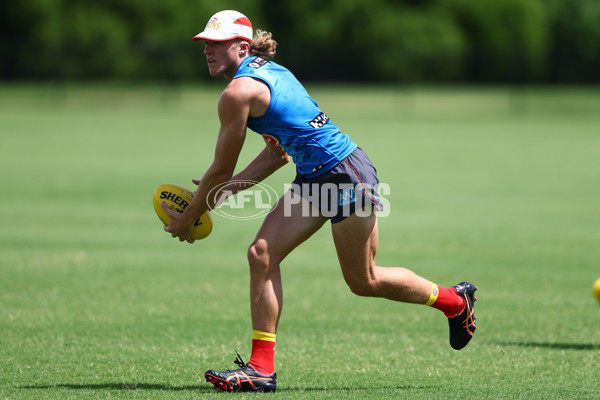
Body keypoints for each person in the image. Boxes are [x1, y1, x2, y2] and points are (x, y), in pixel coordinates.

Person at [162, 10, 478, 393]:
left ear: (242, 46)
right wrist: (215, 195)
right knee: (261, 253)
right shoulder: (268, 71)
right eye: (205, 44)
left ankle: (454, 302)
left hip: (345, 174)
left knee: (364, 280)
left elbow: (220, 169)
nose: (208, 50)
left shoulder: (238, 93)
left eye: (217, 43)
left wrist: (189, 216)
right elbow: (276, 155)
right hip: (314, 177)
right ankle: (261, 369)